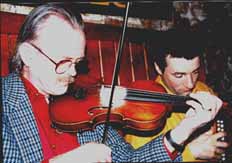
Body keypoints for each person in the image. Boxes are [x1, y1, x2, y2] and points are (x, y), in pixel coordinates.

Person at [2, 4, 224, 163]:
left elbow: (129, 159)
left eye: (77, 62)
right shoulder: (5, 104)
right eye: (63, 62)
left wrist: (183, 132)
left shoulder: (83, 106)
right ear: (29, 55)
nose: (72, 73)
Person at [124, 30, 230, 161]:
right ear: (158, 68)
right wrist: (191, 152)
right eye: (179, 75)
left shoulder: (202, 89)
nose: (191, 84)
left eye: (195, 72)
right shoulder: (143, 113)